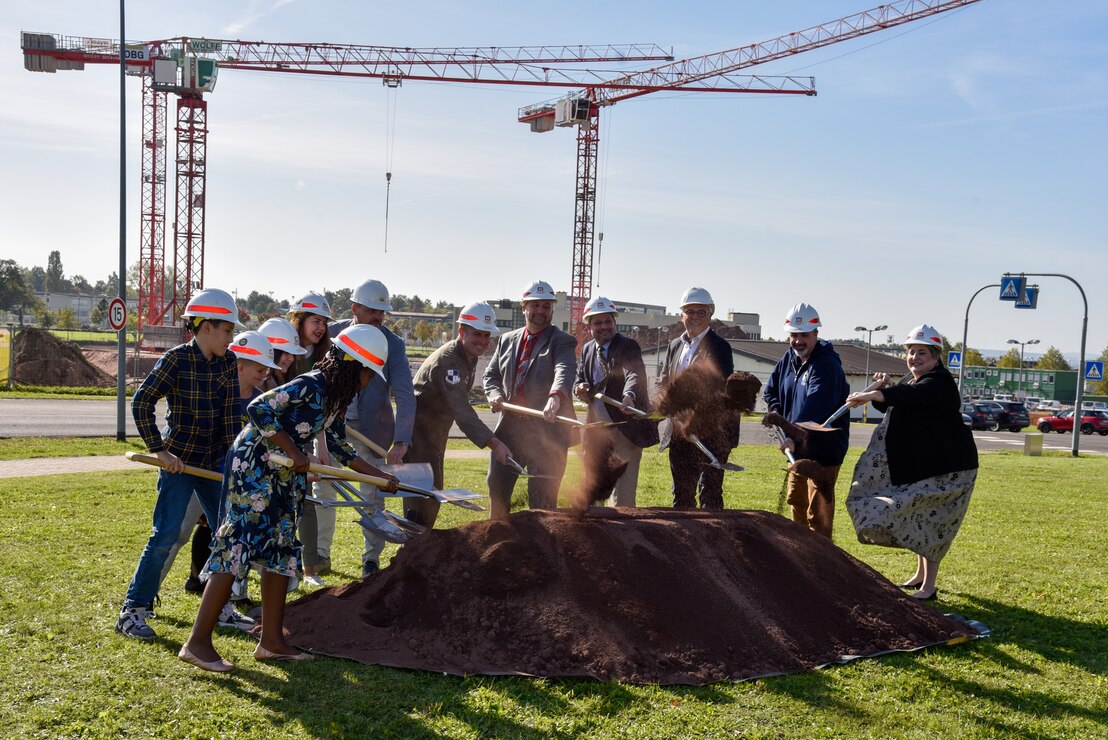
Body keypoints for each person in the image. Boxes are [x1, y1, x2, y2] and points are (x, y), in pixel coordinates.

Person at [178, 324, 400, 672]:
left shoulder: (334, 398)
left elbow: (339, 444)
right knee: (238, 543)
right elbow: (258, 409)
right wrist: (294, 449)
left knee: (281, 546)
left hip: (284, 473)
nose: (369, 383)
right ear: (351, 367)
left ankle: (271, 641)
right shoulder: (310, 384)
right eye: (368, 374)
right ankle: (197, 643)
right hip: (255, 465)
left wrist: (379, 475)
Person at [117, 288, 246, 641]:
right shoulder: (176, 360)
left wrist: (233, 463)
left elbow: (231, 420)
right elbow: (142, 402)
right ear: (205, 326)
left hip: (214, 465)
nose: (230, 337)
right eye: (227, 330)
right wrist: (160, 451)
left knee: (230, 535)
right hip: (178, 463)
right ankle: (133, 610)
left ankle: (221, 607)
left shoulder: (228, 362)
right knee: (166, 534)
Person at [845, 324, 978, 601]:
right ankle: (919, 576)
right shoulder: (918, 383)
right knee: (917, 516)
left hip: (951, 469)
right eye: (911, 352)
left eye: (922, 353)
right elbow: (902, 403)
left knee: (933, 522)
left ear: (935, 357)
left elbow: (913, 397)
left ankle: (928, 587)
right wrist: (885, 390)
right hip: (929, 464)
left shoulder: (939, 383)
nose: (915, 358)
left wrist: (872, 395)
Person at [328, 279, 415, 577]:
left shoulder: (394, 344)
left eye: (382, 312)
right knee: (321, 489)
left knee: (372, 496)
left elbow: (404, 394)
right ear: (355, 309)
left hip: (373, 432)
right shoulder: (331, 334)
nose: (378, 317)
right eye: (372, 311)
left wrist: (401, 441)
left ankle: (370, 560)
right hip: (329, 427)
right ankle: (318, 557)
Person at [403, 302, 513, 527]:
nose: (483, 341)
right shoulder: (451, 361)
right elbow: (462, 412)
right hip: (419, 433)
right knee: (424, 496)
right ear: (462, 331)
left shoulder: (467, 357)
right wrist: (495, 443)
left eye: (486, 335)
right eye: (477, 335)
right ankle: (414, 551)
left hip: (433, 432)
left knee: (428, 493)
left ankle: (417, 546)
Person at [484, 279, 577, 520]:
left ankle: (543, 550)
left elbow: (564, 369)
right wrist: (494, 394)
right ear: (523, 307)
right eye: (534, 305)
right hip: (511, 430)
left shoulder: (561, 340)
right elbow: (491, 375)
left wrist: (556, 397)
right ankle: (499, 540)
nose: (540, 312)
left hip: (548, 433)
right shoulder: (507, 340)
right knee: (497, 485)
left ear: (552, 310)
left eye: (546, 306)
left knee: (543, 502)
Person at [762, 302, 850, 538]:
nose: (798, 340)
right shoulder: (788, 359)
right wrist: (778, 415)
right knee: (797, 506)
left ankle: (822, 568)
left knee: (818, 517)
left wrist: (790, 435)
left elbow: (815, 407)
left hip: (822, 453)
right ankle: (799, 564)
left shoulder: (826, 365)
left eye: (804, 335)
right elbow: (771, 391)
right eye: (794, 335)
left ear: (816, 334)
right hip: (797, 450)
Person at [572, 296, 659, 506]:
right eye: (598, 322)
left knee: (623, 497)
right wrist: (579, 387)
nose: (604, 327)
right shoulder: (587, 349)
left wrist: (629, 395)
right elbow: (580, 376)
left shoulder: (628, 346)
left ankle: (624, 536)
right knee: (594, 492)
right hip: (595, 432)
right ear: (589, 326)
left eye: (608, 321)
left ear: (615, 322)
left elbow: (633, 373)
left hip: (624, 430)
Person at [658, 287, 737, 510]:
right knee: (681, 495)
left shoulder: (719, 347)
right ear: (681, 315)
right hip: (678, 433)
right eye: (689, 312)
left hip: (709, 433)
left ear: (710, 314)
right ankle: (684, 543)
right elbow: (664, 381)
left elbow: (716, 386)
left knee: (709, 495)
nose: (694, 317)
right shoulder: (674, 345)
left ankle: (713, 542)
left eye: (700, 312)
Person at [287, 292, 337, 585]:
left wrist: (322, 447)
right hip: (279, 436)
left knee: (306, 501)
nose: (320, 327)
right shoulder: (283, 352)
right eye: (314, 321)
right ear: (299, 320)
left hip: (306, 436)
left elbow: (320, 408)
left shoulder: (323, 357)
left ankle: (309, 570)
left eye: (323, 322)